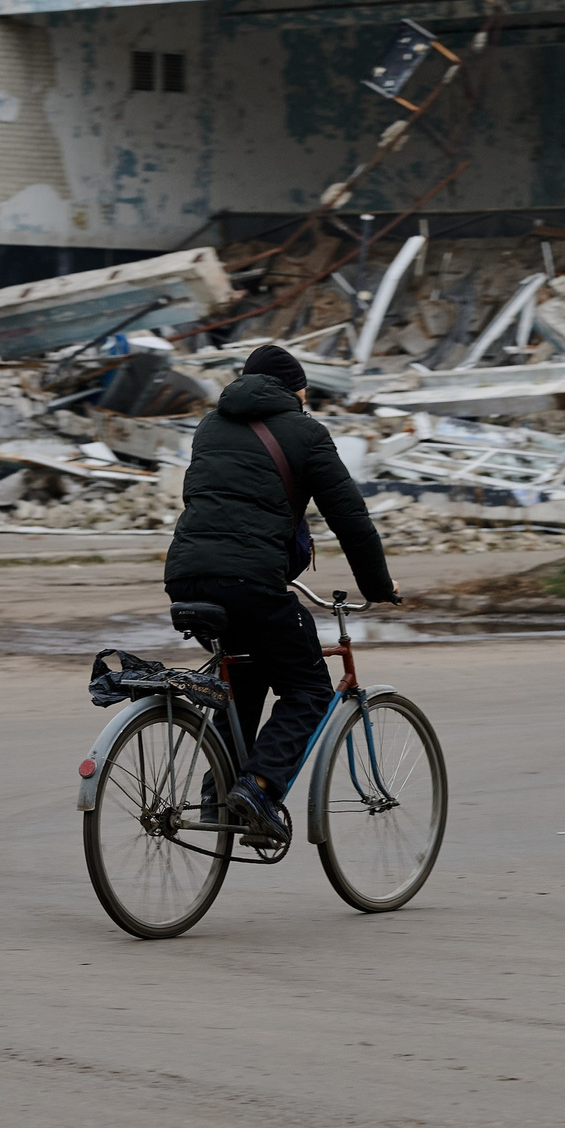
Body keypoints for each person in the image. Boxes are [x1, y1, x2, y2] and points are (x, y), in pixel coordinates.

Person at [164, 344, 397, 846]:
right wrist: (379, 586)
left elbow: (216, 502)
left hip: (186, 577)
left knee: (245, 680)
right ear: (296, 390)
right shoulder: (307, 433)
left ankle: (217, 795)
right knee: (309, 687)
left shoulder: (209, 427)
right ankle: (260, 788)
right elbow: (351, 520)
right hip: (248, 583)